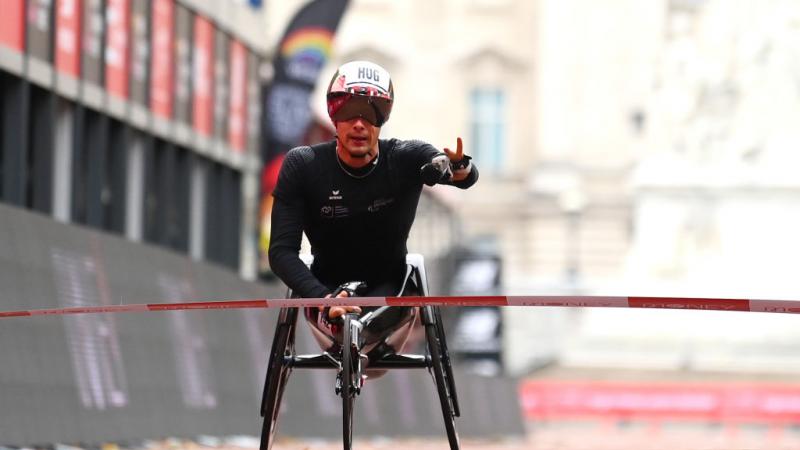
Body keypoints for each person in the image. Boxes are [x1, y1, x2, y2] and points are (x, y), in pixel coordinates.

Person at [268, 60, 478, 337]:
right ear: (333, 114)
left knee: (362, 323)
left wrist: (459, 167)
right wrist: (323, 298)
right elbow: (280, 252)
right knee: (343, 322)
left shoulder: (405, 156)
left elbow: (454, 171)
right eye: (349, 111)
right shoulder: (303, 164)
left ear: (383, 119)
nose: (359, 124)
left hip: (391, 291)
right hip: (324, 292)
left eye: (371, 113)